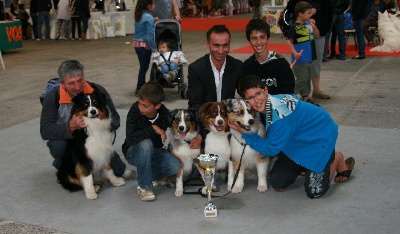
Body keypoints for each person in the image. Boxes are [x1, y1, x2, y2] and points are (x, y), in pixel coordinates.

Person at [229, 75, 356, 198]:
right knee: (278, 183)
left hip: (319, 139)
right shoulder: (270, 103)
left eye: (258, 93)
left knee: (315, 191)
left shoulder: (278, 115)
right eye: (251, 97)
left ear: (266, 90)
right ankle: (305, 165)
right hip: (296, 142)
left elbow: (271, 149)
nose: (256, 100)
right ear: (246, 102)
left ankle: (336, 159)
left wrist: (244, 134)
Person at [40, 60, 134, 180]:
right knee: (58, 145)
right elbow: (45, 130)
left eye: (80, 81)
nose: (78, 87)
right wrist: (70, 126)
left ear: (84, 77)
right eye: (71, 83)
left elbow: (115, 118)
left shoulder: (97, 90)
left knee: (118, 171)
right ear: (62, 84)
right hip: (70, 140)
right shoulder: (52, 97)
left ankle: (106, 166)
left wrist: (106, 124)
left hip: (97, 139)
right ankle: (67, 168)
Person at [122, 81, 182, 201]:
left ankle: (146, 174)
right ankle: (144, 187)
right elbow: (130, 138)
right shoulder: (134, 111)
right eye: (139, 103)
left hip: (155, 151)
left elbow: (177, 125)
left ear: (157, 106)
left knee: (175, 165)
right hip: (133, 151)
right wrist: (152, 128)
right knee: (146, 144)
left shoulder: (165, 113)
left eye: (145, 106)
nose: (140, 108)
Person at [187, 24, 243, 111]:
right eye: (216, 45)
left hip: (229, 118)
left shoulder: (237, 66)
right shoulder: (196, 69)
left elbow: (245, 95)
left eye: (225, 45)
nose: (221, 51)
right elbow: (195, 104)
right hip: (206, 118)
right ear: (208, 44)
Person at [242, 19, 295, 95]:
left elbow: (288, 94)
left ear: (268, 39)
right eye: (254, 38)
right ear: (249, 41)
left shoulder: (281, 64)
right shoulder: (247, 66)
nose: (258, 42)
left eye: (262, 37)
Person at [286, 1, 320, 103]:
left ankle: (305, 96)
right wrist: (294, 53)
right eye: (308, 13)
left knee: (307, 78)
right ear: (300, 14)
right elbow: (289, 41)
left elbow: (317, 35)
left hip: (309, 57)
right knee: (302, 79)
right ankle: (289, 93)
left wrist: (314, 26)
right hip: (300, 58)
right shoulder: (294, 26)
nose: (310, 15)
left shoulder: (308, 24)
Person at [133, 0, 157, 95]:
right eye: (153, 4)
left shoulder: (140, 15)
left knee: (143, 67)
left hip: (137, 44)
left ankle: (141, 87)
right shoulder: (148, 17)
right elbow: (149, 36)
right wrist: (154, 49)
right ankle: (139, 88)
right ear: (148, 5)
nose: (154, 6)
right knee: (144, 68)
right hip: (144, 46)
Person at [310, 0, 333, 100]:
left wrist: (327, 26)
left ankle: (316, 90)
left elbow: (329, 10)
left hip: (322, 30)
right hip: (305, 30)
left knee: (317, 62)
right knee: (304, 64)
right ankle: (304, 93)